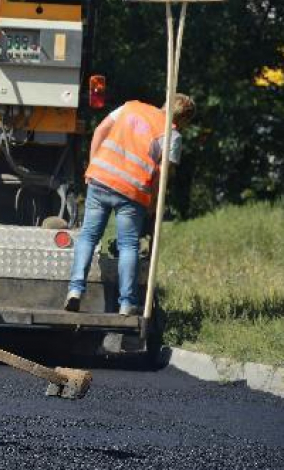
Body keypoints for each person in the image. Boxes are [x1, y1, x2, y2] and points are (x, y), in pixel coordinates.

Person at [64, 94, 195, 316]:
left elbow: (99, 131)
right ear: (184, 120)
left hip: (101, 178)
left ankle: (75, 291)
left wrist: (93, 165)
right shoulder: (172, 136)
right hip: (132, 192)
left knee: (88, 236)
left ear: (165, 103)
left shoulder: (131, 107)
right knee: (128, 246)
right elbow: (162, 174)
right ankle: (126, 303)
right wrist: (153, 202)